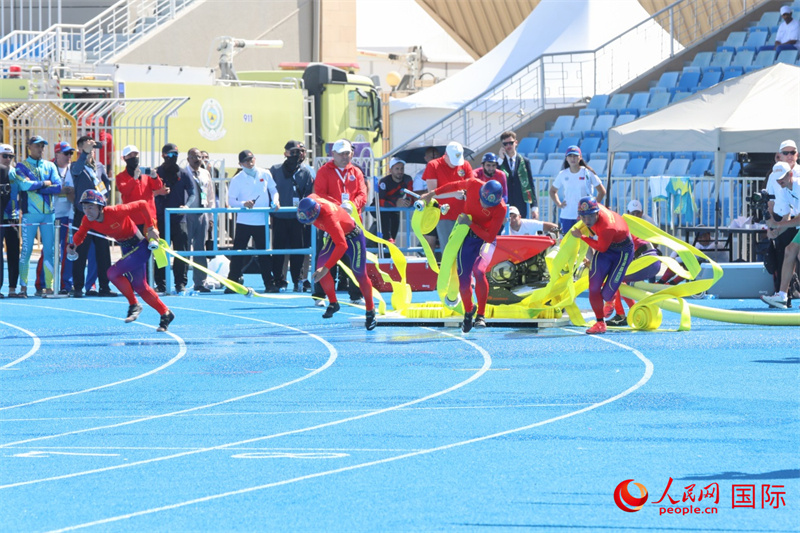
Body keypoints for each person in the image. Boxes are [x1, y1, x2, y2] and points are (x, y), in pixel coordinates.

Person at [67, 190, 175, 331]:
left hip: (140, 246)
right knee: (141, 287)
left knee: (112, 273)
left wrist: (150, 227)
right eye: (84, 207)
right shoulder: (87, 220)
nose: (87, 211)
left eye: (91, 207)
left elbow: (143, 204)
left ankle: (134, 304)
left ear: (101, 207)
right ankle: (165, 313)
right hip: (126, 248)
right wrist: (73, 245)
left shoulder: (115, 211)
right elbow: (80, 234)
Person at [421, 178, 506, 332]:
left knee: (479, 271)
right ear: (480, 192)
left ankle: (481, 315)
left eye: (489, 205)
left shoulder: (501, 208)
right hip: (466, 236)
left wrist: (470, 223)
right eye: (483, 201)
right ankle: (468, 312)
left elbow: (489, 237)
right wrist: (432, 193)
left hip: (485, 240)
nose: (485, 205)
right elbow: (453, 185)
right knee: (463, 278)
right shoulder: (473, 184)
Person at [296, 194, 377, 330]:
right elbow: (320, 195)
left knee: (360, 274)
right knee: (319, 269)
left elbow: (342, 245)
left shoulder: (329, 218)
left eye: (309, 219)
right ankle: (333, 302)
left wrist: (326, 268)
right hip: (336, 236)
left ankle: (370, 310)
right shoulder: (311, 200)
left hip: (353, 238)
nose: (307, 222)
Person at [312, 139, 368, 305]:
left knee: (356, 258)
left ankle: (356, 294)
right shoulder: (324, 171)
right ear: (334, 154)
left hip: (352, 223)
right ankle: (320, 295)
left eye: (347, 153)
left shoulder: (356, 171)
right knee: (326, 258)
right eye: (341, 154)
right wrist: (338, 207)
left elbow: (362, 194)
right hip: (330, 222)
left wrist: (352, 205)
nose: (345, 157)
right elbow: (320, 194)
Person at [570, 196, 633, 335]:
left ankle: (612, 299)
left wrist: (582, 236)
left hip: (622, 252)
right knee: (593, 288)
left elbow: (601, 248)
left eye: (590, 217)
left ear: (597, 213)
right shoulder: (592, 209)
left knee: (606, 294)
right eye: (583, 217)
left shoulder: (607, 227)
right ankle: (600, 323)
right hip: (607, 247)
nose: (587, 221)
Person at [9, 136, 62, 298]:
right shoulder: (21, 166)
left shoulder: (50, 165)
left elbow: (58, 187)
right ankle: (23, 287)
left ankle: (49, 287)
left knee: (50, 251)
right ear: (29, 147)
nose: (40, 149)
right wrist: (45, 183)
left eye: (42, 146)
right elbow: (24, 185)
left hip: (48, 215)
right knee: (26, 251)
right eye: (37, 146)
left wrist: (37, 188)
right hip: (29, 215)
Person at [225, 149, 279, 293]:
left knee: (264, 254)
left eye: (251, 159)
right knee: (238, 253)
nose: (250, 163)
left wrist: (275, 201)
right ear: (240, 164)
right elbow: (231, 201)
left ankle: (269, 284)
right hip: (244, 221)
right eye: (246, 161)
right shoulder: (237, 179)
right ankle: (232, 284)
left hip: (262, 220)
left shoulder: (265, 173)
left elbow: (273, 190)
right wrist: (244, 204)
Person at [70, 136, 116, 298]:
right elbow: (76, 172)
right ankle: (78, 287)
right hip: (83, 214)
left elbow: (105, 184)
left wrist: (105, 198)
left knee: (103, 252)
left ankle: (104, 286)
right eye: (87, 147)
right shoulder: (76, 165)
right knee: (80, 251)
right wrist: (84, 154)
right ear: (80, 149)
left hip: (99, 216)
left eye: (92, 147)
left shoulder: (99, 166)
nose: (92, 150)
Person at [270, 140, 314, 292]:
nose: (295, 155)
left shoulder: (305, 172)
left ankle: (298, 280)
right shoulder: (275, 170)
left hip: (298, 218)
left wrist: (306, 214)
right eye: (292, 152)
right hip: (279, 217)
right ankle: (278, 280)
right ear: (285, 153)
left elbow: (309, 194)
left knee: (298, 252)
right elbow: (269, 191)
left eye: (298, 152)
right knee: (278, 251)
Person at [154, 143, 194, 293]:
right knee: (160, 253)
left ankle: (180, 283)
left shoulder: (183, 173)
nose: (173, 157)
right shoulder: (156, 173)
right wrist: (158, 192)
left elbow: (192, 193)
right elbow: (147, 192)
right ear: (163, 155)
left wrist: (187, 206)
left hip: (179, 219)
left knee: (181, 252)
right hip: (161, 219)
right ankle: (161, 283)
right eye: (170, 155)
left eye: (175, 155)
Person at [764, 141, 800, 303]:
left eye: (782, 178)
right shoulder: (784, 190)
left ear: (790, 174)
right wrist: (775, 231)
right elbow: (787, 217)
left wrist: (778, 225)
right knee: (790, 250)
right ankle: (782, 296)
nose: (779, 182)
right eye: (777, 179)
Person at [37, 141, 75, 295]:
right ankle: (41, 284)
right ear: (57, 154)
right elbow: (42, 188)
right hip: (51, 216)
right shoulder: (47, 168)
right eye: (66, 153)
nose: (69, 156)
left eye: (71, 153)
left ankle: (66, 285)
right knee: (48, 251)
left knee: (67, 251)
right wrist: (61, 190)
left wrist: (66, 192)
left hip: (67, 217)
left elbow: (73, 192)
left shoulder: (73, 170)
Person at [423, 141, 473, 247]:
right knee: (448, 249)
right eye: (453, 160)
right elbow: (432, 193)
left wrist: (466, 193)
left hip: (464, 214)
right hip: (444, 215)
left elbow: (471, 186)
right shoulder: (433, 165)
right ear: (446, 154)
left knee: (465, 249)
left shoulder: (465, 164)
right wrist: (454, 194)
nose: (455, 164)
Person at [550, 145, 606, 235]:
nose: (573, 158)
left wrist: (593, 205)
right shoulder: (563, 174)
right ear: (566, 158)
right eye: (570, 156)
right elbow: (552, 191)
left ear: (580, 157)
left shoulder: (587, 173)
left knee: (585, 241)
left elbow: (602, 191)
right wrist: (559, 204)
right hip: (567, 214)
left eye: (575, 156)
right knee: (567, 241)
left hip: (585, 216)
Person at [183, 148, 216, 292]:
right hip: (187, 215)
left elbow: (210, 196)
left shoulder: (205, 173)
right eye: (194, 157)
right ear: (188, 159)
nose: (197, 159)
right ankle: (181, 282)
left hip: (202, 214)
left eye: (199, 157)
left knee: (200, 249)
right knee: (184, 249)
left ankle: (200, 282)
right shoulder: (184, 173)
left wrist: (211, 216)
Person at [499, 131, 537, 219]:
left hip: (520, 204)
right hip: (505, 203)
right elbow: (494, 175)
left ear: (516, 142)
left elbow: (530, 184)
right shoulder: (499, 162)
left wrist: (534, 207)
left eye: (511, 143)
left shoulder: (524, 161)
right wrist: (500, 159)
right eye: (505, 144)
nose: (508, 146)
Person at [0, 144, 20, 298]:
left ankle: (12, 288)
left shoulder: (16, 173)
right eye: (4, 156)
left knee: (14, 253)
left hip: (13, 217)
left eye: (11, 156)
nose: (8, 159)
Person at [377, 157, 413, 243]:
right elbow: (380, 201)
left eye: (402, 168)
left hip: (395, 209)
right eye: (397, 169)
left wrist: (408, 202)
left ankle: (390, 243)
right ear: (390, 170)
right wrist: (395, 203)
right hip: (382, 209)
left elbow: (411, 195)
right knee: (387, 236)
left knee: (393, 236)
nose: (400, 171)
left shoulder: (407, 179)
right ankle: (386, 241)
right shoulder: (384, 181)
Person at [412, 147, 439, 253]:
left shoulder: (443, 173)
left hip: (442, 211)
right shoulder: (420, 175)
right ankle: (429, 262)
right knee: (430, 243)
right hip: (428, 213)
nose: (434, 159)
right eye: (431, 157)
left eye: (436, 156)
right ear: (425, 158)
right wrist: (431, 191)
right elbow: (416, 196)